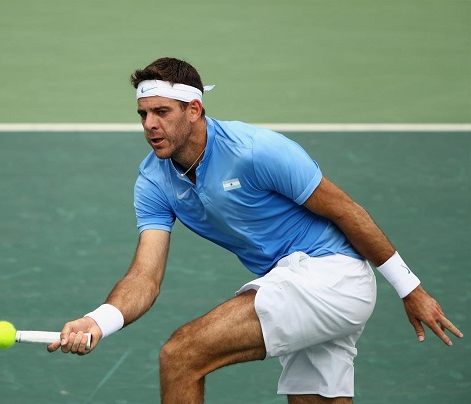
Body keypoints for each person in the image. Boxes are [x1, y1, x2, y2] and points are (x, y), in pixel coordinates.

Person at [47, 57, 463, 403]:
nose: (149, 125)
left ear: (194, 110)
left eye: (162, 112)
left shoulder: (255, 151)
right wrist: (99, 320)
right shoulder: (154, 181)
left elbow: (347, 211)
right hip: (294, 282)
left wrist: (410, 289)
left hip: (331, 276)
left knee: (182, 355)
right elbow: (145, 277)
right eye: (143, 114)